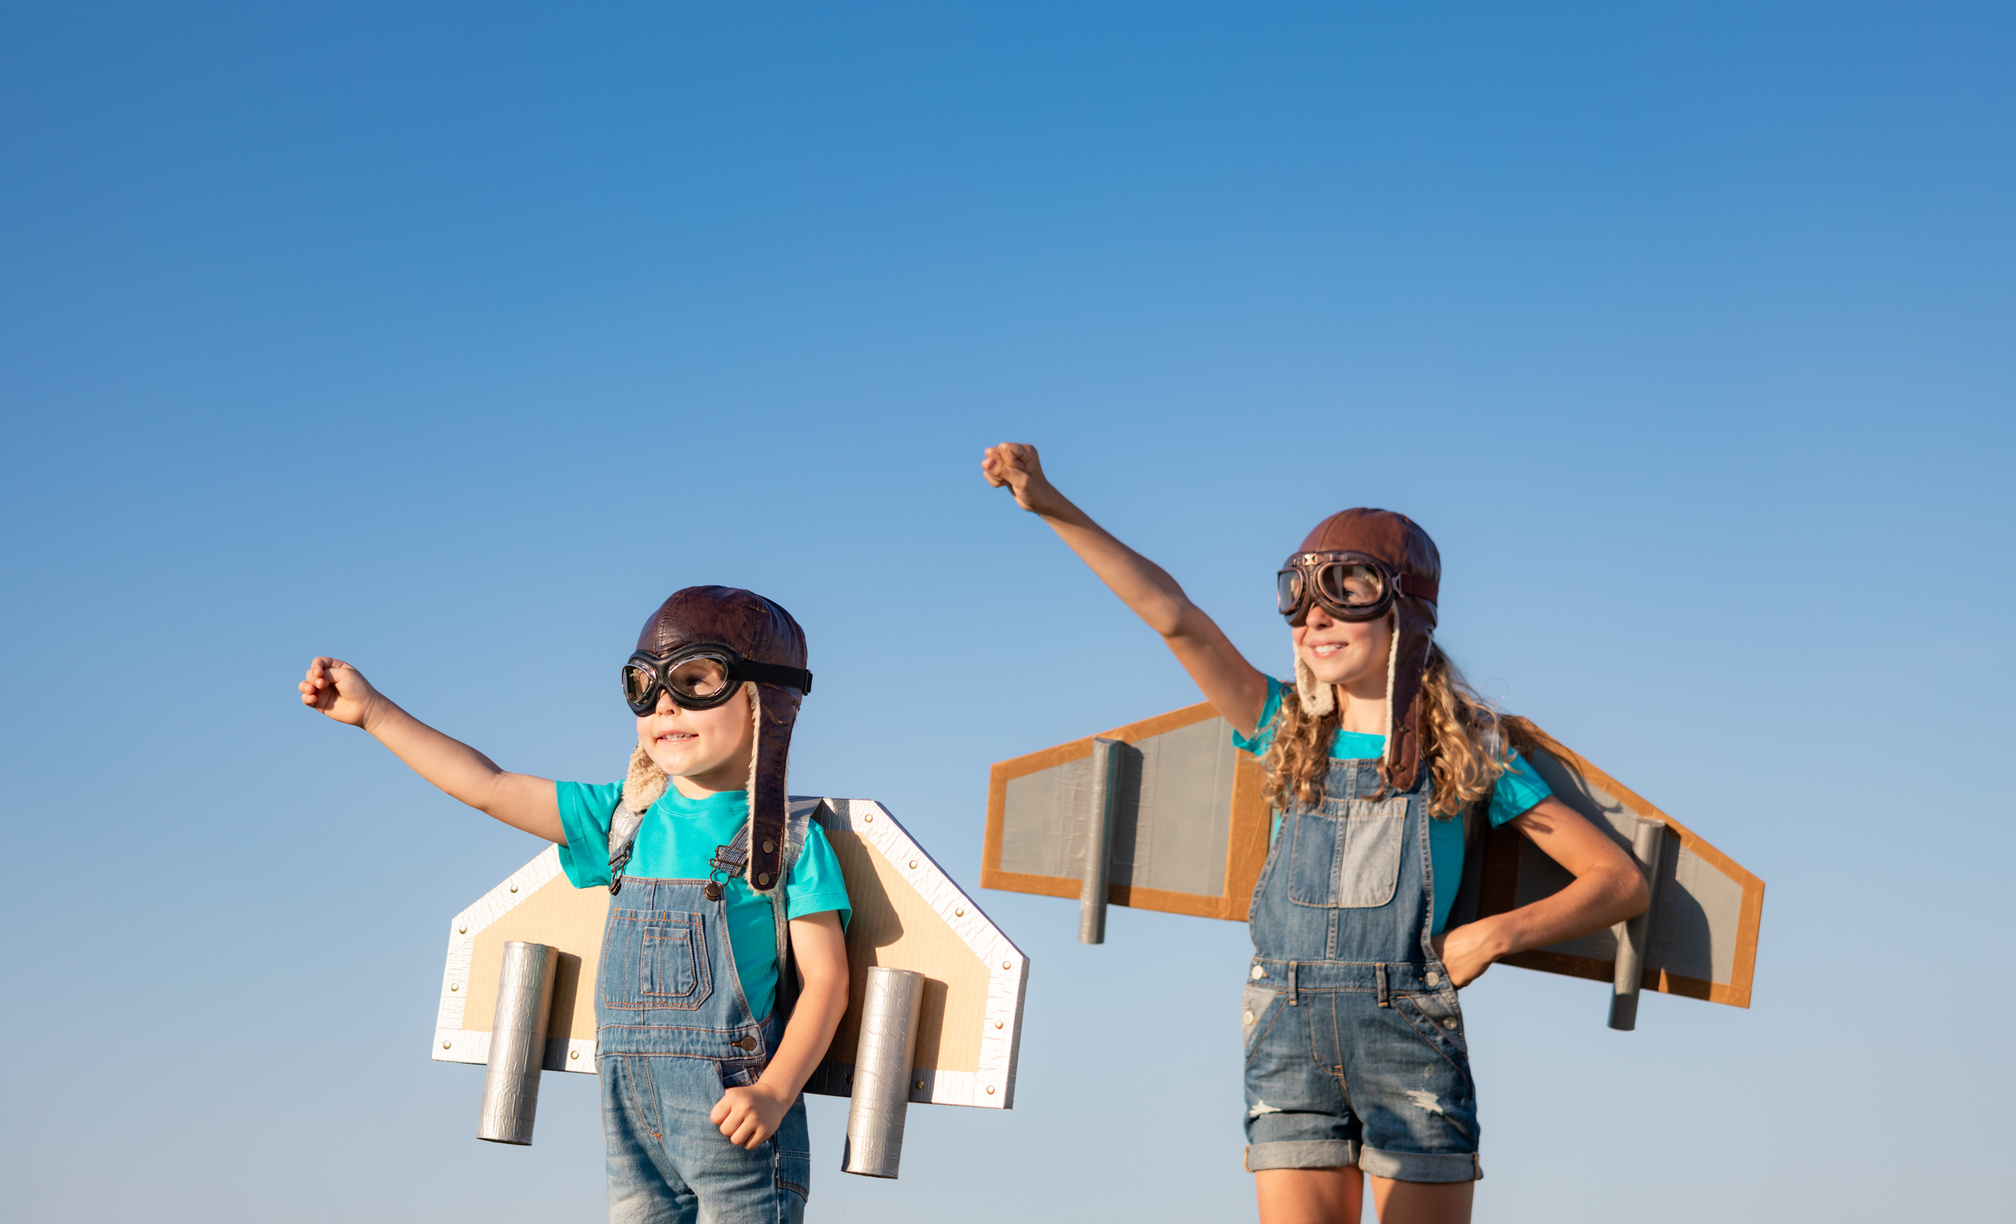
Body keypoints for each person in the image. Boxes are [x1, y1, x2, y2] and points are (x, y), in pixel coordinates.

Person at [982, 444, 1647, 1224]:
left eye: (1347, 591)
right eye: (1298, 599)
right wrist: (1053, 504)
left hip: (1410, 1034)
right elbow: (1175, 618)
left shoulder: (1467, 750)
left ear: (1404, 611)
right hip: (1285, 1038)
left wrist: (1491, 937)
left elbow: (1618, 882)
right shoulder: (1281, 728)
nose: (1316, 619)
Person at [298, 585, 851, 1224]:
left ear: (767, 703)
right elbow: (489, 786)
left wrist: (775, 1093)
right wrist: (373, 713)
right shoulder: (624, 819)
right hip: (628, 1118)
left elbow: (826, 982)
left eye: (698, 680)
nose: (665, 705)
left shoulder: (788, 840)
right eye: (644, 687)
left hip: (738, 1116)